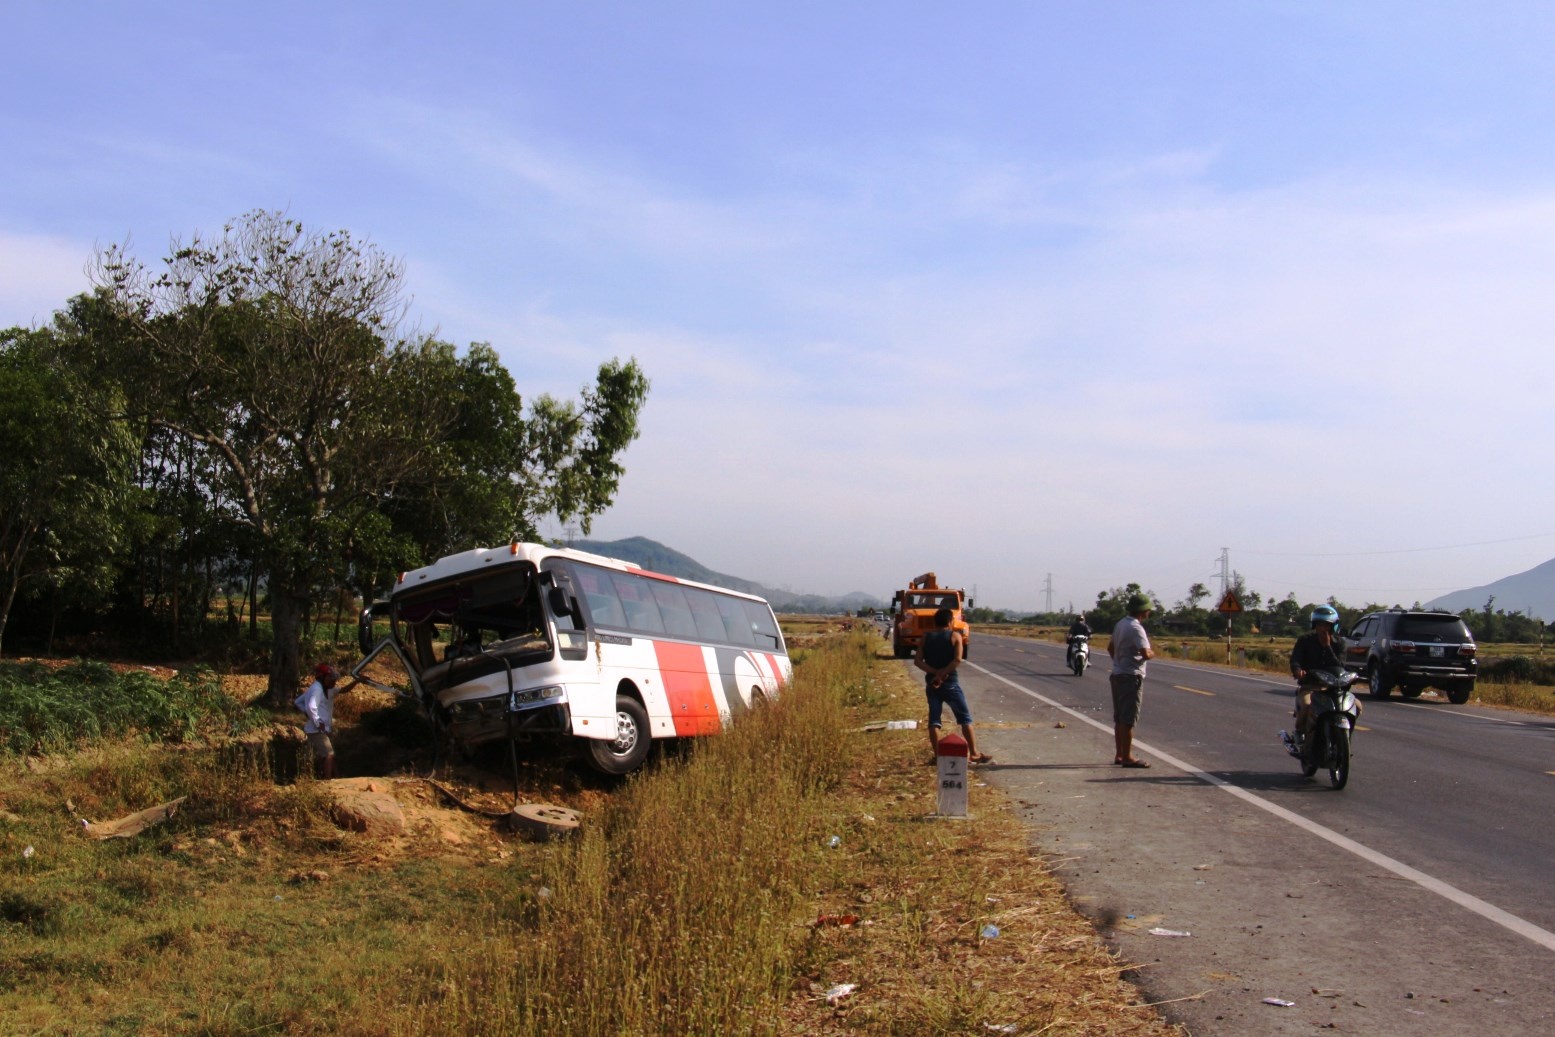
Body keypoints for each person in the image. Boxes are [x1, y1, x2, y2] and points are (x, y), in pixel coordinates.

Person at [914, 607, 992, 765]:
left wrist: (934, 673)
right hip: (950, 684)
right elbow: (957, 660)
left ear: (935, 622)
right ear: (950, 621)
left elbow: (918, 661)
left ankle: (938, 755)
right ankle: (974, 754)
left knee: (934, 721)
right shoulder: (955, 636)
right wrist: (943, 673)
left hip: (932, 684)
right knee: (964, 718)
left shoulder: (925, 637)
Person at [1286, 604, 1346, 748]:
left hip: (1333, 688)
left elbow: (1340, 666)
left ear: (1334, 626)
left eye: (1327, 625)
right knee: (1307, 705)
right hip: (1310, 686)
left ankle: (1345, 736)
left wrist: (1327, 646)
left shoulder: (1339, 643)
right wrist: (1298, 670)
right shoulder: (1305, 640)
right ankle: (1299, 732)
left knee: (1357, 706)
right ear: (1314, 625)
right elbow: (1296, 660)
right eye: (1319, 625)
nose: (1323, 629)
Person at [1107, 593, 1155, 768]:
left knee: (1119, 718)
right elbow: (1145, 653)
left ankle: (1120, 753)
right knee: (1128, 719)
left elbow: (1110, 647)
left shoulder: (1121, 624)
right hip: (1131, 676)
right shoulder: (1136, 628)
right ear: (1143, 611)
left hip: (1118, 674)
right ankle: (1127, 757)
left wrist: (1119, 662)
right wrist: (1151, 653)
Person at [298, 663, 354, 780]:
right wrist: (318, 722)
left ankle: (336, 777)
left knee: (329, 754)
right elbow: (310, 706)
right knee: (329, 754)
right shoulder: (316, 689)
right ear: (322, 677)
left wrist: (357, 681)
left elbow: (298, 702)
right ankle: (328, 782)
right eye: (331, 679)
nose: (334, 682)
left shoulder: (326, 689)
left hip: (322, 728)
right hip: (317, 730)